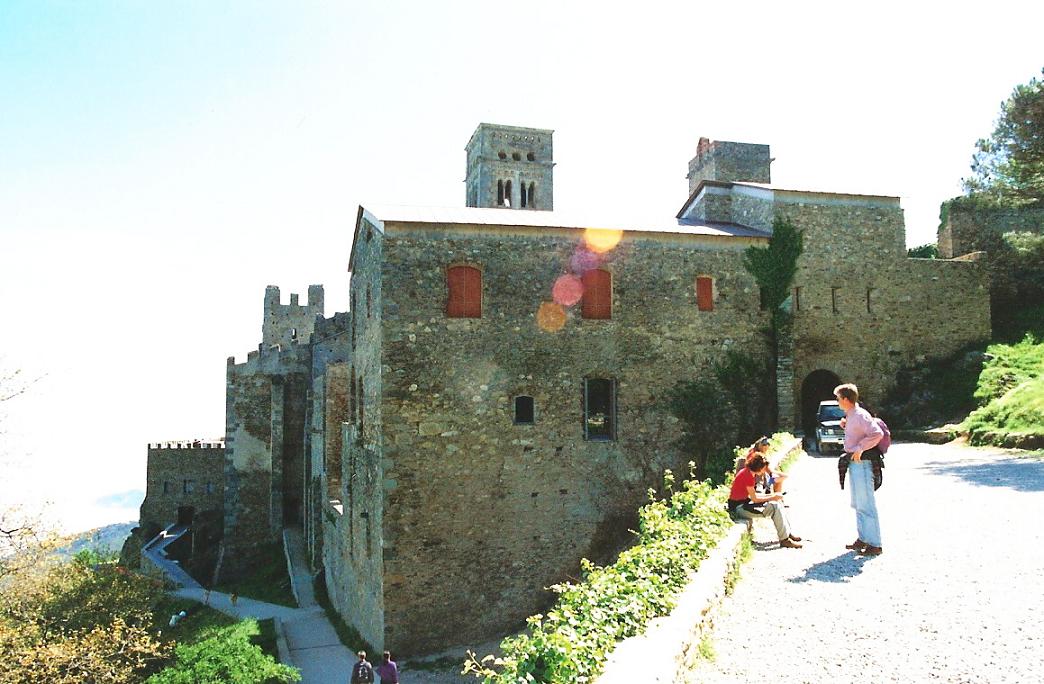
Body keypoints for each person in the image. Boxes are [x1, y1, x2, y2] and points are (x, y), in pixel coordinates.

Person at [834, 383, 884, 556]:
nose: (837, 401)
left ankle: (874, 543)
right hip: (856, 463)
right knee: (858, 502)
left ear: (846, 399)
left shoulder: (860, 415)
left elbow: (877, 434)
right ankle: (863, 538)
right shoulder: (852, 415)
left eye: (838, 398)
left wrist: (861, 448)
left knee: (866, 503)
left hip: (863, 463)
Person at [728, 454, 802, 548]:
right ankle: (784, 540)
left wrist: (773, 496)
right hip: (740, 508)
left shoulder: (747, 472)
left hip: (744, 503)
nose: (765, 471)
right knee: (774, 506)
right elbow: (755, 499)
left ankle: (787, 533)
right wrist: (772, 497)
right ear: (759, 468)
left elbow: (753, 496)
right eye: (764, 468)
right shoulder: (748, 476)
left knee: (777, 503)